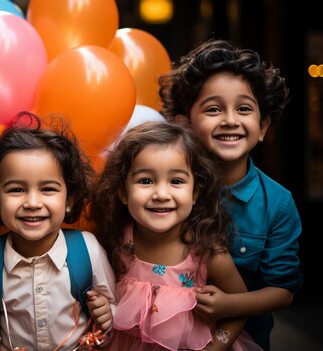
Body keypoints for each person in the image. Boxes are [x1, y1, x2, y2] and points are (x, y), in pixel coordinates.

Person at [158, 39, 302, 350]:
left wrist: (229, 306)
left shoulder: (278, 204)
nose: (230, 119)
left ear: (262, 126)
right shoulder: (162, 189)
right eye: (213, 108)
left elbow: (283, 291)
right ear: (184, 124)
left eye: (244, 109)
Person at [90, 121, 260, 350]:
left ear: (195, 192)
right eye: (146, 181)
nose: (161, 194)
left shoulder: (206, 252)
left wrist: (216, 347)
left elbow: (238, 309)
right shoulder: (119, 242)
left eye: (176, 181)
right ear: (122, 191)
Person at [0, 112, 117, 350]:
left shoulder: (88, 251)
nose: (32, 202)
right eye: (16, 190)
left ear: (70, 199)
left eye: (47, 188)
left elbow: (112, 308)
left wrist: (108, 317)